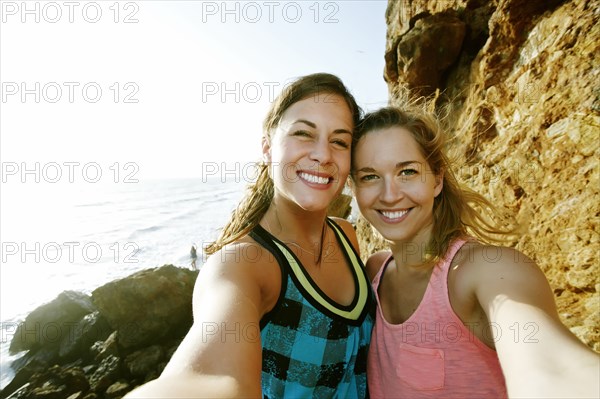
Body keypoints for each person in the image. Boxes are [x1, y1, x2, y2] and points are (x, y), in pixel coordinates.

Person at [126, 73, 374, 398]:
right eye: (303, 133)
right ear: (268, 147)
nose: (323, 155)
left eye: (340, 141)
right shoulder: (240, 265)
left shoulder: (346, 235)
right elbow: (212, 377)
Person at [350, 106, 600, 398]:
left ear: (437, 180)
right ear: (354, 188)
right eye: (370, 177)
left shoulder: (486, 270)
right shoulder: (374, 272)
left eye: (407, 171)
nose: (390, 194)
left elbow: (550, 364)